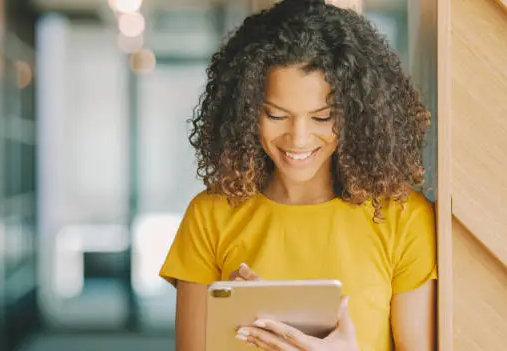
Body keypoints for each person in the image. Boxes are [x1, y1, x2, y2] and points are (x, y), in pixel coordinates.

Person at [159, 0, 437, 350]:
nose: (299, 138)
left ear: (357, 113)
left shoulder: (403, 217)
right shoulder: (209, 216)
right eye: (276, 115)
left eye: (322, 117)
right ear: (244, 112)